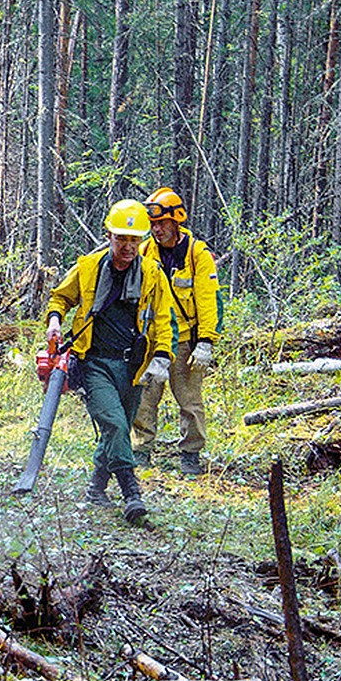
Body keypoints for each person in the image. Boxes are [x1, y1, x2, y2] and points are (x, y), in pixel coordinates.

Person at [45, 199, 174, 524]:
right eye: (122, 239)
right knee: (115, 424)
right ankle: (132, 494)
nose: (128, 246)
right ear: (109, 236)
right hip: (94, 363)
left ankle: (96, 489)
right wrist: (55, 319)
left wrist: (161, 356)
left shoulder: (151, 274)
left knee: (117, 429)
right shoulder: (88, 267)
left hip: (132, 367)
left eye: (135, 240)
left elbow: (161, 318)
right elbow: (61, 296)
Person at [131, 187, 223, 476]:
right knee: (145, 396)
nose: (157, 229)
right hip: (153, 339)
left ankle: (190, 455)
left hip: (185, 342)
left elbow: (210, 300)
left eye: (161, 223)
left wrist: (205, 341)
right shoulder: (145, 251)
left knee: (189, 400)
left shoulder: (197, 254)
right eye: (153, 224)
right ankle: (141, 451)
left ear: (176, 221)